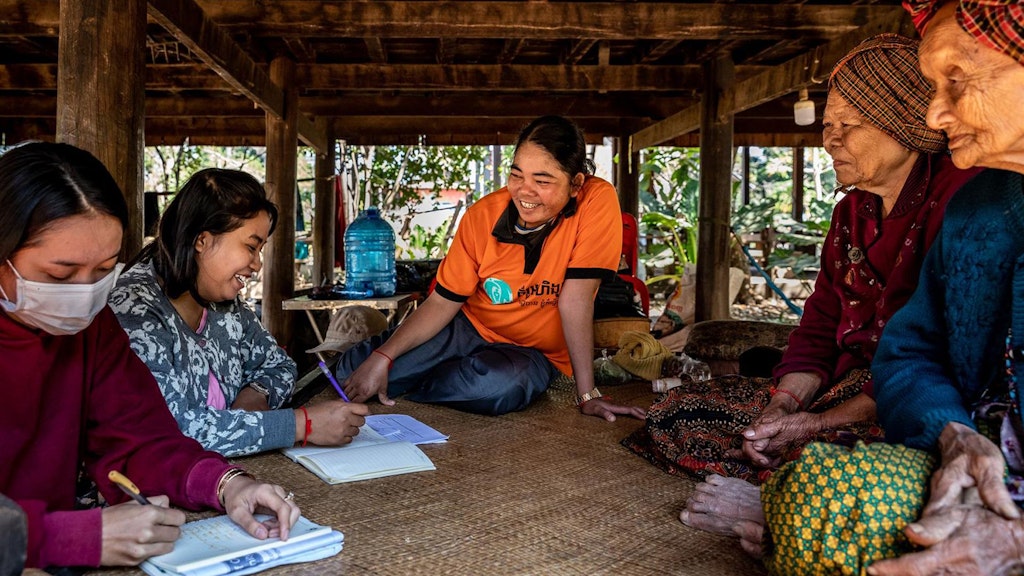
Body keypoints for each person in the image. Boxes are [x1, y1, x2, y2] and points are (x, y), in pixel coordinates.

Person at [619, 33, 981, 534]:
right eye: (828, 125)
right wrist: (782, 406)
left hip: (904, 400)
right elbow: (819, 327)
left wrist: (820, 422)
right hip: (838, 387)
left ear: (904, 123)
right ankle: (786, 474)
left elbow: (938, 358)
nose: (830, 139)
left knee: (866, 461)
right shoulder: (851, 212)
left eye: (848, 125)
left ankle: (790, 490)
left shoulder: (960, 200)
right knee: (676, 412)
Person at [719, 4, 1024, 574]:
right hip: (958, 428)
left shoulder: (955, 195)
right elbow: (908, 352)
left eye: (956, 81)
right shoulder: (979, 208)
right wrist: (952, 434)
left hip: (888, 404)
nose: (935, 113)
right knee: (767, 459)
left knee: (827, 505)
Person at [0, 142, 298, 569]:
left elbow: (140, 438)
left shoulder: (93, 328)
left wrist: (226, 484)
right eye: (60, 274)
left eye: (104, 271)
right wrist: (65, 537)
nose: (84, 293)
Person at [337, 115, 645, 421]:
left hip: (533, 351)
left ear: (575, 184)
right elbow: (443, 302)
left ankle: (417, 378)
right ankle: (419, 369)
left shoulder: (596, 200)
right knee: (352, 372)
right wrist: (384, 356)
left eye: (542, 181)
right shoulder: (481, 216)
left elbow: (575, 300)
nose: (524, 191)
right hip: (469, 326)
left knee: (497, 388)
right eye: (517, 175)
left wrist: (587, 395)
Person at [109, 168, 369, 457]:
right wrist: (301, 425)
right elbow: (170, 429)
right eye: (251, 247)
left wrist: (256, 395)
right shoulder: (135, 308)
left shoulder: (225, 305)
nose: (257, 264)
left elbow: (279, 366)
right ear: (202, 240)